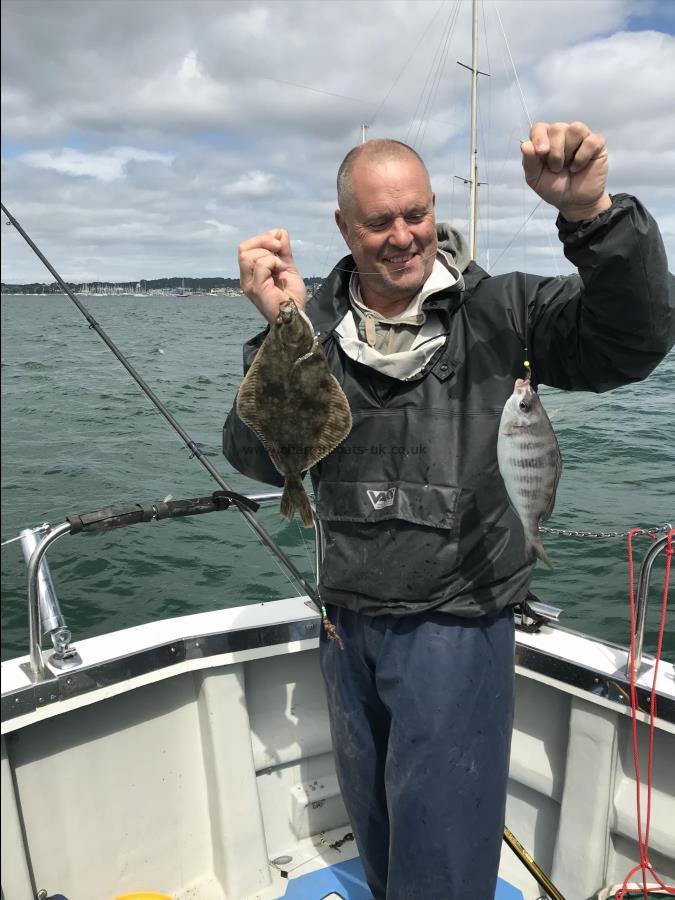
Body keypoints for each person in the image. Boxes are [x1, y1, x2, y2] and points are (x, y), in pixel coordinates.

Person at [223, 122, 674, 899]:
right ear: (342, 227)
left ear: (434, 208)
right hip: (346, 621)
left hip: (458, 620)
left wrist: (592, 216)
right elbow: (258, 456)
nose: (402, 237)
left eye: (416, 215)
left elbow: (629, 343)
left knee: (442, 857)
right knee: (380, 834)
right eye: (377, 222)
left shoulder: (505, 310)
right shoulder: (313, 324)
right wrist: (281, 329)